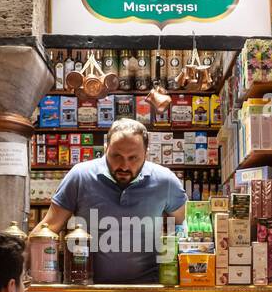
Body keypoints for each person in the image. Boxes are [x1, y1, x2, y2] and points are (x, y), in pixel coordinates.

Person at [34, 119, 187, 283]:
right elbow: (47, 228)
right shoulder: (80, 176)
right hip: (88, 289)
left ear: (146, 154)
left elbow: (184, 227)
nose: (124, 166)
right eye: (117, 156)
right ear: (106, 149)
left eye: (133, 158)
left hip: (149, 290)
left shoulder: (166, 181)